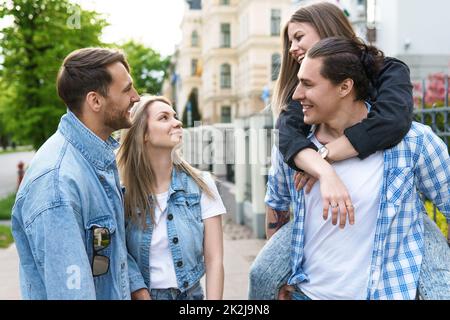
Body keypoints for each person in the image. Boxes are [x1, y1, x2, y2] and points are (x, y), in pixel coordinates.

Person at [249, 2, 450, 300]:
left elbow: (393, 119)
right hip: (310, 289)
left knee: (437, 279)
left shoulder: (391, 83)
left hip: (388, 281)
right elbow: (284, 162)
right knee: (261, 274)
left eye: (299, 37)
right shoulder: (296, 126)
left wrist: (325, 156)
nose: (292, 48)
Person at [11, 48, 140, 299]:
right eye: (126, 90)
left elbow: (111, 253)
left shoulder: (95, 159)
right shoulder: (57, 183)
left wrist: (136, 286)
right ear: (95, 101)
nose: (135, 97)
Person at [117, 95, 226, 300]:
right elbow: (118, 254)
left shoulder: (202, 184)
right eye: (164, 118)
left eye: (175, 116)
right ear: (143, 134)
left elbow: (215, 260)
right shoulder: (122, 193)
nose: (177, 122)